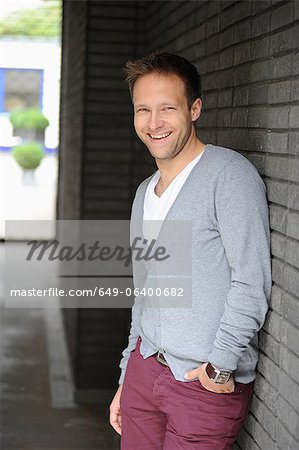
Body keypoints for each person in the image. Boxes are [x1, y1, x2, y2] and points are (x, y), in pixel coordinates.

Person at [109, 52, 272, 450]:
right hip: (144, 374)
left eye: (168, 108)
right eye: (143, 109)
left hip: (201, 383)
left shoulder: (228, 175)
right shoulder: (143, 193)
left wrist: (219, 367)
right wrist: (126, 374)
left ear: (194, 109)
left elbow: (251, 280)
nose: (154, 123)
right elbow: (145, 292)